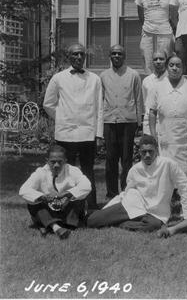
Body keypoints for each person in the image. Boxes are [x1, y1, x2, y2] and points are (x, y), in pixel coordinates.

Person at [87, 135, 187, 232]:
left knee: (153, 225)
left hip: (155, 213)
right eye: (144, 152)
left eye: (150, 151)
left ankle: (119, 223)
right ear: (139, 152)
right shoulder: (135, 170)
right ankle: (114, 219)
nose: (147, 155)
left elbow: (184, 187)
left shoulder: (168, 164)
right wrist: (109, 208)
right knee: (92, 221)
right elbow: (125, 193)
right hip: (133, 205)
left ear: (156, 150)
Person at [43, 43, 102, 209]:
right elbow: (48, 103)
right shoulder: (58, 78)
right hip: (65, 134)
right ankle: (65, 205)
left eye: (81, 54)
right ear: (69, 56)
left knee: (88, 171)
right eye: (75, 54)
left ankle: (91, 207)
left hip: (87, 134)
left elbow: (100, 108)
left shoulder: (95, 79)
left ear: (85, 56)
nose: (78, 57)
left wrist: (99, 134)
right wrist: (62, 117)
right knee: (65, 171)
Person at [148, 55, 187, 188]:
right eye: (171, 65)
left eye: (178, 65)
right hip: (166, 139)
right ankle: (169, 201)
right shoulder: (157, 87)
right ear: (167, 67)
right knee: (166, 174)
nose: (175, 68)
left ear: (183, 68)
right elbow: (152, 112)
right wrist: (152, 135)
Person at [19, 145, 91, 239]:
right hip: (49, 210)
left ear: (65, 160)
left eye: (60, 162)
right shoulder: (40, 172)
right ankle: (56, 227)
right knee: (33, 203)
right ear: (47, 160)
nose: (56, 165)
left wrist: (67, 194)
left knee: (79, 198)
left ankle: (48, 225)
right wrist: (43, 197)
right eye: (53, 162)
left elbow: (87, 186)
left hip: (68, 210)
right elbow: (23, 190)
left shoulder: (73, 170)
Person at [100, 44, 143, 199]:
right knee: (110, 159)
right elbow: (101, 100)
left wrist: (139, 123)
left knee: (126, 159)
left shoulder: (133, 75)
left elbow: (139, 99)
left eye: (119, 54)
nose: (116, 56)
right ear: (110, 56)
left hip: (128, 122)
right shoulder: (103, 76)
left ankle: (126, 191)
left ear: (124, 57)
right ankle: (111, 193)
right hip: (110, 122)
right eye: (113, 53)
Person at [135, 0, 174, 74]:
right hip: (148, 34)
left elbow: (174, 17)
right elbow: (141, 18)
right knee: (148, 63)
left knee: (164, 63)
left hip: (165, 34)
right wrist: (149, 27)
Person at [142, 50, 167, 135]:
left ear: (166, 60)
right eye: (155, 59)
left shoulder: (171, 80)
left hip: (167, 123)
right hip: (149, 123)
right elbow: (146, 102)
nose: (158, 61)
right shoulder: (146, 81)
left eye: (161, 59)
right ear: (152, 61)